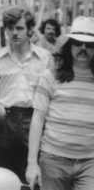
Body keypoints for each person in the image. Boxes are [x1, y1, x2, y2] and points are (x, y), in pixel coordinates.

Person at [0, 7, 52, 186]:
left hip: (35, 119)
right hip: (6, 120)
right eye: (10, 28)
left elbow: (52, 92)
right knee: (6, 177)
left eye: (19, 28)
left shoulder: (44, 58)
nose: (14, 33)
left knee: (33, 175)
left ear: (29, 29)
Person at [26, 16, 94, 190]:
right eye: (78, 42)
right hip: (53, 160)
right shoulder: (50, 76)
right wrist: (32, 163)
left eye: (90, 44)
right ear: (70, 44)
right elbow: (37, 119)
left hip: (90, 163)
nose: (83, 48)